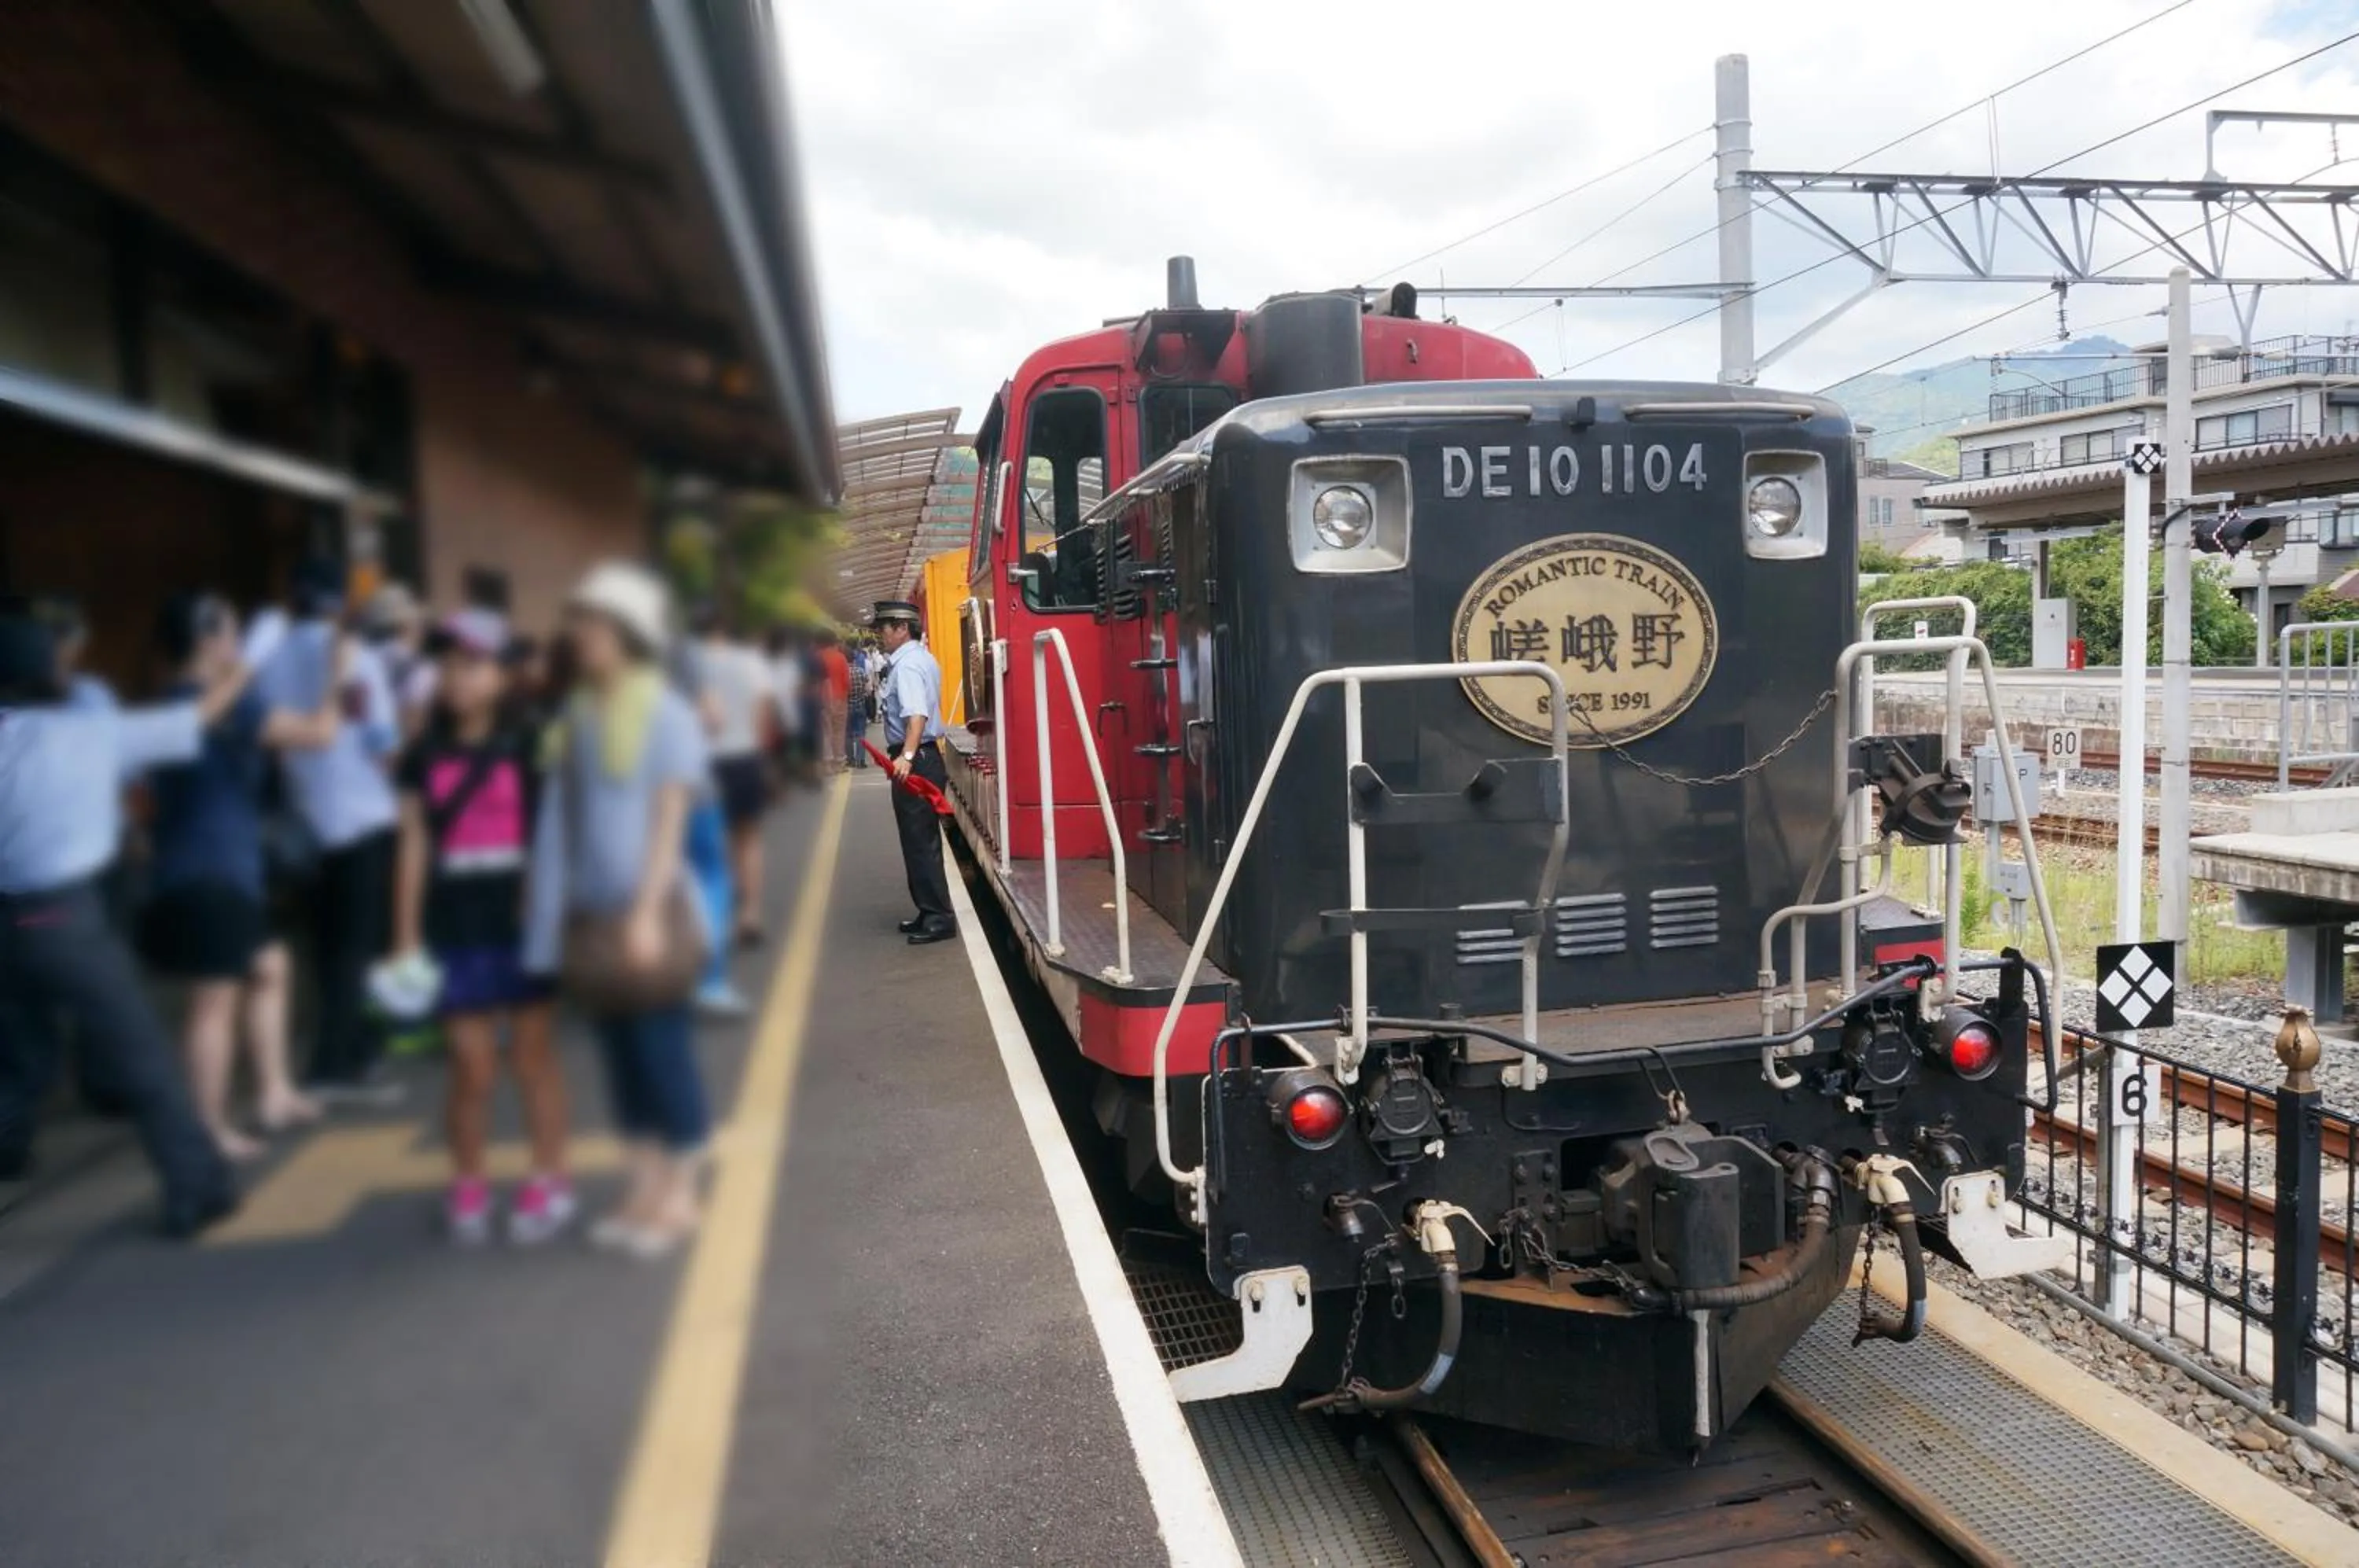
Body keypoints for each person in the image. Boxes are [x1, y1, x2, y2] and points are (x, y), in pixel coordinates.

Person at [0, 604, 239, 1236]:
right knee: (141, 1054)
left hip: (8, 924)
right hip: (66, 913)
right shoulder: (88, 730)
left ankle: (8, 1148)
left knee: (19, 1053)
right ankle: (196, 1188)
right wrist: (239, 668)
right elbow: (201, 716)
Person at [525, 562, 714, 1257]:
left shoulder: (660, 710)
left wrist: (643, 912)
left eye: (594, 627)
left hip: (647, 912)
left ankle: (682, 1195)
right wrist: (545, 922)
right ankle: (643, 1190)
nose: (581, 638)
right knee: (620, 1059)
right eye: (580, 626)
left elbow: (668, 816)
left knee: (660, 1051)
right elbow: (556, 823)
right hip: (590, 914)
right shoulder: (578, 714)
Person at [141, 593, 342, 1161]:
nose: (237, 645)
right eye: (230, 634)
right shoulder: (228, 705)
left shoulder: (174, 702)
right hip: (215, 874)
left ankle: (274, 1092)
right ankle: (207, 1127)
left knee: (271, 966)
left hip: (200, 869)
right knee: (213, 1002)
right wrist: (337, 679)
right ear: (206, 640)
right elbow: (318, 733)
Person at [393, 609, 572, 1245]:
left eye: (472, 665)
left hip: (523, 929)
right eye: (448, 667)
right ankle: (468, 1178)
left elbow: (554, 838)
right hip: (456, 927)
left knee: (532, 1060)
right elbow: (413, 846)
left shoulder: (532, 746)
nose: (457, 679)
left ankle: (548, 1175)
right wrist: (406, 936)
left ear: (501, 675)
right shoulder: (424, 755)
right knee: (471, 1067)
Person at [255, 561, 404, 1103]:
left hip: (305, 821)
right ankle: (333, 1065)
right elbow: (382, 745)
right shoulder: (356, 658)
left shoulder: (267, 662)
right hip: (362, 816)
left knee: (325, 943)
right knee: (358, 944)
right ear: (340, 600)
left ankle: (357, 1049)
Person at [871, 600, 955, 944]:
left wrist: (905, 756)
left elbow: (916, 715)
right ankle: (928, 910)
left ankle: (938, 917)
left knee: (919, 842)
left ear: (902, 628)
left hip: (915, 760)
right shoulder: (920, 660)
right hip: (924, 756)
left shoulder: (906, 667)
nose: (880, 636)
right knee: (921, 840)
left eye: (884, 628)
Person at [697, 613, 775, 949]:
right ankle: (752, 913)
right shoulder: (749, 662)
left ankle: (724, 912)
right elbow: (763, 708)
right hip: (746, 757)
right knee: (750, 836)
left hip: (711, 763)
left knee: (722, 839)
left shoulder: (696, 666)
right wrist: (760, 750)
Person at [765, 628, 805, 786]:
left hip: (772, 716)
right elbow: (797, 690)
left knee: (774, 753)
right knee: (783, 751)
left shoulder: (763, 663)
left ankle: (777, 781)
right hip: (786, 715)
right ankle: (782, 780)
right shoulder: (790, 664)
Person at [815, 628, 851, 773]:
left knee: (824, 731)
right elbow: (847, 682)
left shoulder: (816, 657)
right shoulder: (840, 657)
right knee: (839, 731)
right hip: (840, 698)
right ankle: (839, 762)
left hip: (821, 700)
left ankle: (827, 764)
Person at [844, 637, 875, 768]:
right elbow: (868, 689)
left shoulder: (844, 672)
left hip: (847, 705)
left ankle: (850, 759)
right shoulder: (861, 672)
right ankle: (861, 761)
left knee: (849, 733)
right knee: (861, 733)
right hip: (860, 705)